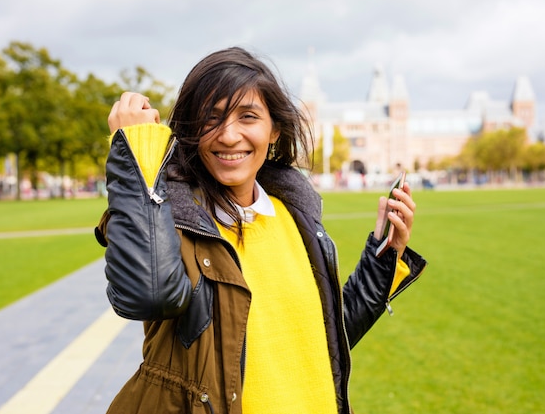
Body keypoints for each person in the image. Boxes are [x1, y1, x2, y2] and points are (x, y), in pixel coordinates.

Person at [95, 47, 427, 414]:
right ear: (191, 131)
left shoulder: (296, 219)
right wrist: (134, 155)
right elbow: (150, 295)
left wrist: (383, 258)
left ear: (275, 130)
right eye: (212, 118)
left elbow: (321, 337)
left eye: (248, 117)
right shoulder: (172, 219)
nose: (229, 135)